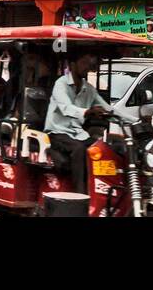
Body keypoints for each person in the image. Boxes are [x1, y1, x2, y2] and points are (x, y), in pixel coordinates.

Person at [44, 52, 111, 196]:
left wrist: (134, 120)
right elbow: (66, 108)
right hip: (57, 133)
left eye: (89, 63)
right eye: (84, 63)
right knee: (79, 149)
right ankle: (80, 195)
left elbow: (109, 109)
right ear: (72, 65)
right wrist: (88, 112)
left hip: (78, 134)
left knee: (102, 148)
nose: (88, 67)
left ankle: (101, 192)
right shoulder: (60, 84)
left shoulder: (89, 89)